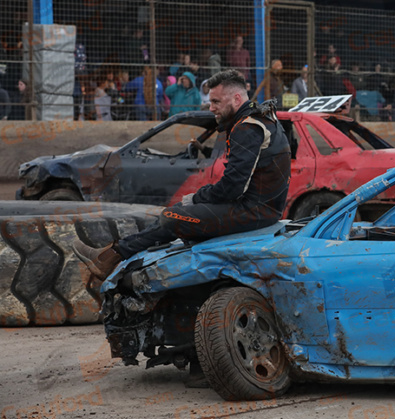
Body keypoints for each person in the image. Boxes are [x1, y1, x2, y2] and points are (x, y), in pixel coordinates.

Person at [73, 69, 292, 282]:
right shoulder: (262, 118)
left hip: (254, 212)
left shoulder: (247, 127)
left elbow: (233, 187)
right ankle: (110, 256)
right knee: (178, 213)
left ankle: (108, 259)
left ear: (236, 98)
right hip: (262, 209)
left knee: (172, 217)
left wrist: (197, 197)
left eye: (216, 102)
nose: (211, 107)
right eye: (211, 100)